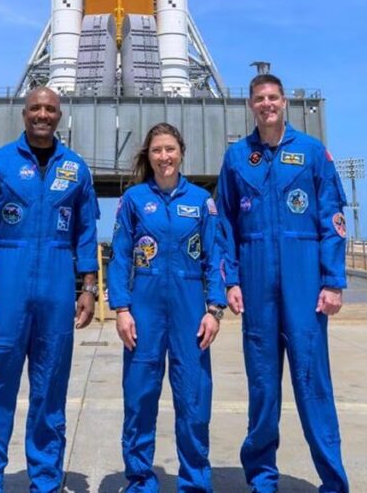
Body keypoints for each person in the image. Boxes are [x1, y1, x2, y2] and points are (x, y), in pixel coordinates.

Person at [0, 86, 99, 492]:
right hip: (9, 281)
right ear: (24, 114)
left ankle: (46, 480)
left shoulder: (75, 169)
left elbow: (86, 231)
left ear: (60, 116)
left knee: (50, 390)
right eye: (36, 107)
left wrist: (87, 286)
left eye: (50, 109)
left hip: (56, 286)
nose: (43, 114)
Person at [216, 73, 350, 493]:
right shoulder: (237, 157)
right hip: (256, 285)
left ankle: (332, 480)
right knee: (262, 387)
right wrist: (230, 281)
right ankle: (261, 478)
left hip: (304, 281)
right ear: (250, 105)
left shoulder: (312, 153)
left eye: (273, 97)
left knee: (313, 384)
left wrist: (333, 281)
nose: (267, 104)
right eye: (259, 98)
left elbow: (333, 219)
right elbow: (225, 226)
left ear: (284, 102)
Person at [108, 123, 228, 492]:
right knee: (140, 397)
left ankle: (194, 481)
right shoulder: (133, 200)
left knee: (193, 398)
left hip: (190, 309)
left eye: (170, 149)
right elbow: (120, 257)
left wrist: (215, 309)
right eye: (158, 150)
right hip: (144, 308)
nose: (165, 157)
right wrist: (122, 309)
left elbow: (214, 257)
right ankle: (141, 479)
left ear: (181, 152)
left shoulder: (201, 201)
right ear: (149, 154)